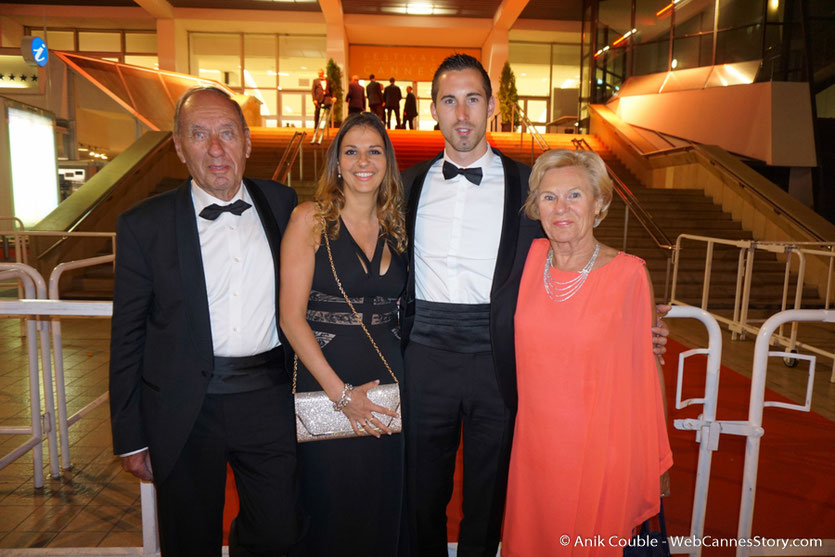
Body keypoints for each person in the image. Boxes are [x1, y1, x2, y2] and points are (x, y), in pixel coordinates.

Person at [399, 54, 669, 557]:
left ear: (493, 106)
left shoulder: (532, 186)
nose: (462, 114)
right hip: (423, 359)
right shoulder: (406, 185)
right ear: (433, 108)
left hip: (501, 362)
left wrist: (633, 317)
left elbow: (574, 255)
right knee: (420, 494)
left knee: (491, 496)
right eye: (449, 101)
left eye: (473, 99)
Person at [109, 86, 301, 556]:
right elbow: (127, 335)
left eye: (227, 133)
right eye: (199, 134)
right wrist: (129, 435)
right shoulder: (143, 224)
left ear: (247, 142)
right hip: (184, 407)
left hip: (269, 399)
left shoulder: (282, 203)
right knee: (189, 535)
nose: (215, 148)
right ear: (179, 147)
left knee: (279, 530)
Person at [502, 149, 673, 556]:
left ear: (599, 203)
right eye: (549, 197)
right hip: (536, 452)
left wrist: (656, 457)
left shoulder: (629, 274)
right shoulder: (527, 261)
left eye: (575, 195)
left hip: (600, 453)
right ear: (535, 206)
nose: (561, 208)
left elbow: (647, 371)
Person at [280, 112, 408, 557]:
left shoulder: (397, 226)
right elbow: (291, 319)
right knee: (329, 506)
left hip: (391, 380)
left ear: (387, 163)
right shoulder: (309, 219)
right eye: (350, 151)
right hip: (328, 379)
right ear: (336, 162)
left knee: (382, 504)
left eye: (374, 151)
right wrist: (341, 394)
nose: (362, 161)